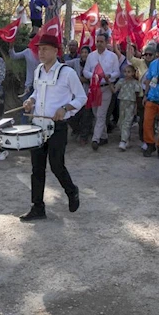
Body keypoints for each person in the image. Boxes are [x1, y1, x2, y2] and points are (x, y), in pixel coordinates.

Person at [20, 34, 87, 221]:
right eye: (39, 49)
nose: (40, 52)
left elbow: (81, 98)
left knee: (57, 165)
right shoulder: (38, 70)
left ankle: (72, 190)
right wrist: (30, 100)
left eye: (45, 49)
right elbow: (37, 92)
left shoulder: (68, 73)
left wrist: (65, 108)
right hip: (38, 125)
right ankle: (37, 207)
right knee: (37, 168)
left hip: (57, 126)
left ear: (55, 51)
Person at [83, 33, 120, 150]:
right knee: (96, 113)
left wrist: (109, 75)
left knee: (101, 114)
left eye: (101, 41)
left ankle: (95, 139)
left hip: (106, 88)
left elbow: (117, 72)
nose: (99, 43)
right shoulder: (91, 56)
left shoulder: (113, 56)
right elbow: (85, 71)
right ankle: (103, 136)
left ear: (106, 42)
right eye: (97, 41)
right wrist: (93, 76)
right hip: (94, 88)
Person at [66, 46, 93, 144]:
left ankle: (84, 137)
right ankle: (77, 130)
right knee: (71, 116)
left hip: (88, 93)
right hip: (75, 94)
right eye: (83, 52)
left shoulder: (92, 63)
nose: (84, 54)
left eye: (86, 52)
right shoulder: (76, 62)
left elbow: (96, 77)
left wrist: (86, 80)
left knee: (86, 116)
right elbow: (64, 63)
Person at [114, 65, 142, 151]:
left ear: (133, 73)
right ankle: (127, 139)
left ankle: (123, 141)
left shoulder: (135, 83)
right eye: (125, 72)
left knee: (127, 121)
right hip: (122, 102)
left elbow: (137, 95)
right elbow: (114, 90)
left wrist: (136, 107)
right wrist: (108, 82)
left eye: (129, 72)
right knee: (121, 122)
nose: (127, 74)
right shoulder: (121, 81)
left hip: (131, 103)